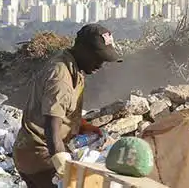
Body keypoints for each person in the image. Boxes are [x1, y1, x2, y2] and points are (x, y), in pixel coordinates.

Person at [13, 23, 123, 188]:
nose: (100, 65)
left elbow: (61, 111)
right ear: (82, 49)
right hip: (39, 157)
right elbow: (52, 126)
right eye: (97, 58)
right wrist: (62, 164)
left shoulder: (74, 67)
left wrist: (82, 126)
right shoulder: (61, 77)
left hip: (37, 151)